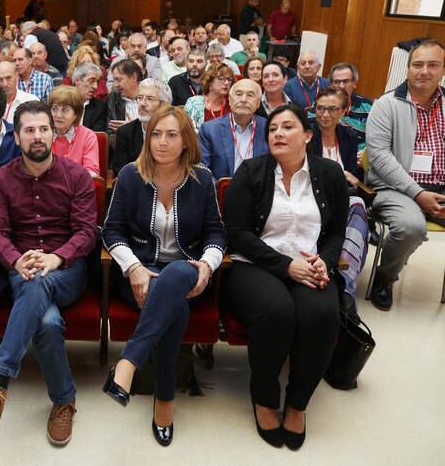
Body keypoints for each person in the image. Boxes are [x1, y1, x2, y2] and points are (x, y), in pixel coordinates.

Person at [221, 104, 348, 450]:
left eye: (287, 127)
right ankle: (264, 398)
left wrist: (327, 260)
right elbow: (236, 233)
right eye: (273, 128)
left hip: (309, 265)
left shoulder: (330, 175)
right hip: (254, 264)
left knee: (322, 314)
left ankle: (297, 403)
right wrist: (285, 265)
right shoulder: (251, 172)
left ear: (307, 136)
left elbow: (338, 231)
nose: (277, 133)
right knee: (276, 311)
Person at [0, 101, 96, 446]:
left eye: (43, 129)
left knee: (41, 282)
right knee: (48, 323)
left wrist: (57, 258)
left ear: (53, 134)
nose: (37, 136)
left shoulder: (77, 176)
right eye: (29, 130)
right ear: (17, 136)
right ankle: (64, 400)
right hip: (21, 269)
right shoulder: (2, 178)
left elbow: (86, 232)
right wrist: (14, 260)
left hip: (67, 271)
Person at [102, 106, 225, 446]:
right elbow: (111, 231)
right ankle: (165, 398)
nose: (162, 142)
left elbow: (216, 233)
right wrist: (134, 268)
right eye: (156, 134)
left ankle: (128, 363)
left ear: (186, 141)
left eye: (172, 135)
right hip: (139, 277)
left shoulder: (202, 179)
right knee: (175, 308)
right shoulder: (130, 174)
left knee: (176, 274)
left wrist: (207, 264)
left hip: (188, 274)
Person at [365, 39, 445, 310]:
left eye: (432, 65)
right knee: (411, 227)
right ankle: (385, 277)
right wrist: (418, 194)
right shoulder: (385, 105)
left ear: (443, 69)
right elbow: (379, 157)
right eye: (418, 64)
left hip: (441, 186)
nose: (424, 71)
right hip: (395, 188)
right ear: (408, 68)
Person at [310, 87, 368, 313]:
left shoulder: (349, 136)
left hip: (344, 197)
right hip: (314, 196)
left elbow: (354, 177)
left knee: (357, 204)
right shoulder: (307, 134)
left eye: (332, 109)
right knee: (356, 206)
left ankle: (345, 287)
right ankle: (346, 289)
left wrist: (344, 176)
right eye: (320, 109)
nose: (325, 114)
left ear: (344, 111)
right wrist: (338, 172)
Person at [199, 79, 269, 181]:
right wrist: (218, 191)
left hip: (259, 192)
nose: (244, 100)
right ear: (230, 100)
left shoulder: (268, 128)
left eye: (250, 95)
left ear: (258, 103)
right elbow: (202, 169)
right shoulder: (209, 130)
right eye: (239, 94)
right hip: (222, 193)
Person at [111, 78, 172, 176]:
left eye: (150, 99)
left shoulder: (176, 132)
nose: (142, 104)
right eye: (140, 98)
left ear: (164, 105)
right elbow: (120, 171)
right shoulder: (125, 132)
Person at [47, 85, 100, 176]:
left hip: (76, 188)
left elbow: (92, 173)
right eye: (54, 109)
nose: (58, 115)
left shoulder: (87, 136)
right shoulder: (42, 134)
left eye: (65, 110)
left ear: (76, 114)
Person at [328, 62, 373, 148]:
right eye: (337, 82)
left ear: (354, 83)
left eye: (345, 81)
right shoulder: (321, 103)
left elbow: (376, 137)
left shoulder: (367, 106)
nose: (341, 86)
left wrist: (364, 152)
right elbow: (311, 131)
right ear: (331, 84)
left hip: (357, 155)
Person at [184, 63, 235, 131]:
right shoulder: (193, 103)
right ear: (209, 81)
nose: (226, 83)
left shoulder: (232, 104)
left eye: (229, 79)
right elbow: (187, 132)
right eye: (221, 79)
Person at [71, 62, 107, 132]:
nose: (95, 86)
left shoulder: (100, 107)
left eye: (97, 82)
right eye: (91, 81)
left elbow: (96, 137)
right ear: (77, 81)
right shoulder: (63, 102)